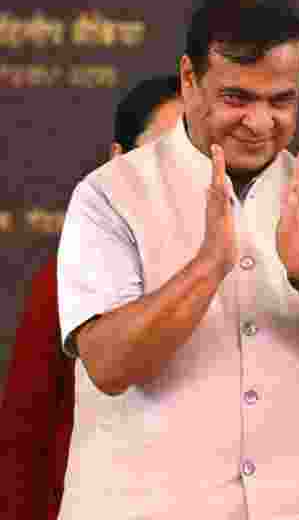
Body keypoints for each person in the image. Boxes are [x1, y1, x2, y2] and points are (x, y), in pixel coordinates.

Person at [55, 0, 299, 520]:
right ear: (190, 79)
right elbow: (109, 366)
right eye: (237, 97)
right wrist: (208, 266)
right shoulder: (108, 195)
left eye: (281, 100)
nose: (260, 123)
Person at [0, 74, 182, 520]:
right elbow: (26, 434)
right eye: (163, 151)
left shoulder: (238, 266)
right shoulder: (69, 272)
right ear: (118, 160)